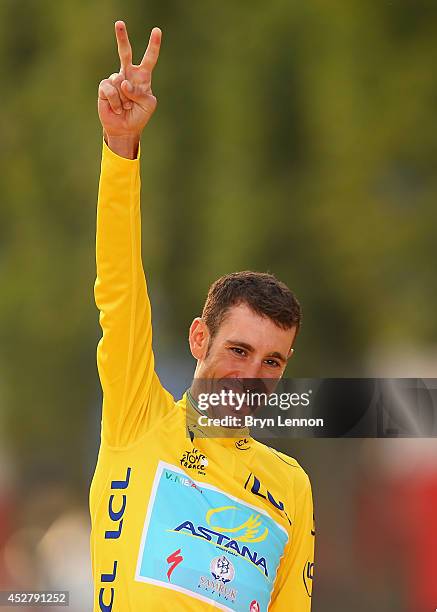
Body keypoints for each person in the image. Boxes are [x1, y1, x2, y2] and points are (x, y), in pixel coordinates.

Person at [90, 20, 315, 612]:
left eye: (272, 361)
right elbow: (120, 287)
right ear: (199, 338)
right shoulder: (138, 416)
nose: (251, 377)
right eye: (238, 351)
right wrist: (120, 149)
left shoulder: (291, 486)